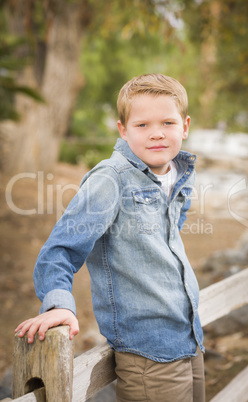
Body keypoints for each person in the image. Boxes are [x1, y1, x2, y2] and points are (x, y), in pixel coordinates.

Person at [15, 73, 205, 402]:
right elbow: (60, 249)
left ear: (184, 126)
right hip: (150, 354)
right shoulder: (111, 179)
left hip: (190, 338)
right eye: (142, 125)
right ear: (122, 129)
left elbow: (171, 229)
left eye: (168, 123)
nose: (157, 133)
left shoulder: (177, 172)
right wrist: (58, 302)